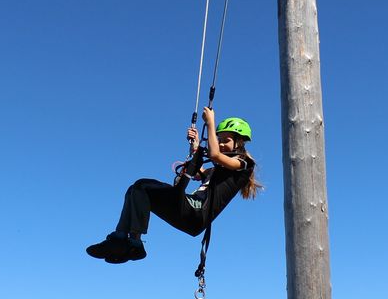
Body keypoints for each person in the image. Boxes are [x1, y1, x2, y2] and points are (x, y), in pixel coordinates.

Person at [86, 108, 261, 264]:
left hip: (197, 212)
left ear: (240, 142)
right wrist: (195, 146)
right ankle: (126, 241)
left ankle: (133, 243)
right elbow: (199, 172)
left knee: (142, 185)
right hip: (191, 212)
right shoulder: (218, 171)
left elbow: (214, 154)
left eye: (226, 140)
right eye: (219, 139)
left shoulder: (244, 163)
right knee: (136, 190)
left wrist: (210, 122)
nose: (221, 143)